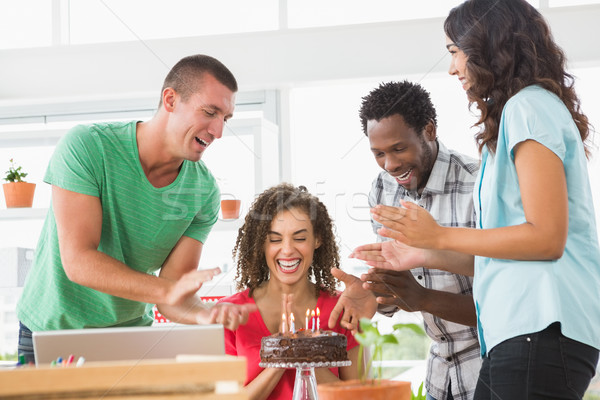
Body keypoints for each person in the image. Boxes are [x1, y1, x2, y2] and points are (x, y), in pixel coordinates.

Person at [354, 1, 600, 398]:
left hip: (540, 326)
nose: (453, 68)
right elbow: (506, 247)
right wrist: (420, 256)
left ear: (488, 47)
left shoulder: (529, 108)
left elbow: (546, 238)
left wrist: (437, 237)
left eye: (455, 52)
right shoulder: (514, 118)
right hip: (518, 332)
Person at [16, 54, 256, 364]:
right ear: (170, 100)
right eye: (210, 112)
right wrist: (167, 292)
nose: (219, 131)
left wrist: (208, 315)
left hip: (129, 339)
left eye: (226, 118)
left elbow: (174, 295)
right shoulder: (87, 147)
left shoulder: (204, 192)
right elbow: (78, 261)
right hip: (49, 333)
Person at [357, 80, 481, 400]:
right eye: (379, 153)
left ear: (429, 130)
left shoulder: (477, 182)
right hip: (439, 368)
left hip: (488, 360)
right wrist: (375, 294)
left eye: (399, 148)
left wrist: (421, 296)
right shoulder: (382, 189)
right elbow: (402, 286)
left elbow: (501, 299)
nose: (390, 164)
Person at [217, 183, 360, 400]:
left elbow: (358, 396)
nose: (287, 250)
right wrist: (283, 354)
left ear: (317, 240)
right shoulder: (230, 311)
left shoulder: (342, 308)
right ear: (261, 244)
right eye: (275, 239)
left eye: (300, 238)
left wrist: (305, 353)